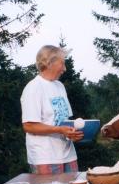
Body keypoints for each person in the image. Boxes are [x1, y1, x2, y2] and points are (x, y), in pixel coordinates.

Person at [20, 44, 84, 175]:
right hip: (45, 157)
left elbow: (65, 121)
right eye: (62, 63)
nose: (65, 69)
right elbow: (29, 126)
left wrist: (72, 134)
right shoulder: (33, 88)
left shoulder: (60, 86)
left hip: (68, 155)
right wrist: (60, 130)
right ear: (49, 63)